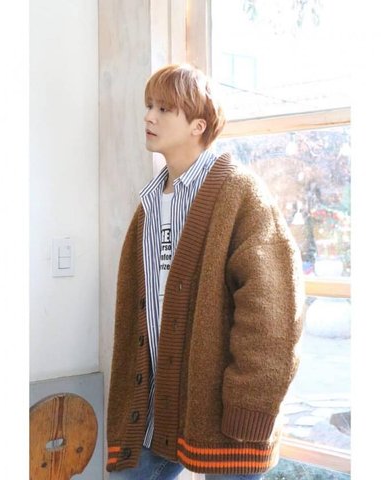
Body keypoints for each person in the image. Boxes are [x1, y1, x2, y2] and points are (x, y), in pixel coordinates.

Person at [106, 64, 305, 480]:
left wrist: (250, 406)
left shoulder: (240, 193)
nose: (148, 116)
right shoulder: (149, 205)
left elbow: (273, 313)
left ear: (198, 125)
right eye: (148, 106)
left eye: (164, 109)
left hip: (223, 413)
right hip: (154, 408)